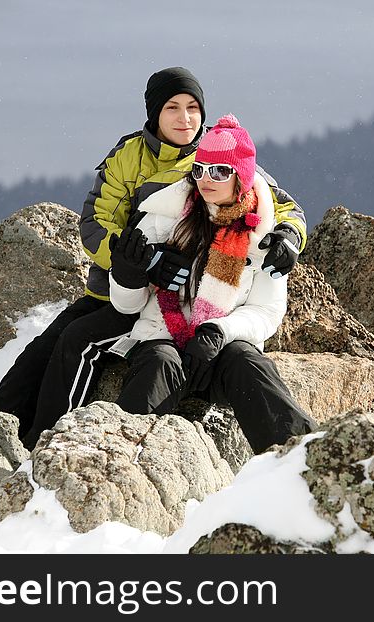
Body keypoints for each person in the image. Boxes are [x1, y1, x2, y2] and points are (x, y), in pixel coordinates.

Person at [0, 67, 308, 450]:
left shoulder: (219, 152)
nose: (184, 118)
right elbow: (95, 225)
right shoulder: (131, 157)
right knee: (47, 348)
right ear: (154, 113)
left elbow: (281, 208)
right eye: (172, 107)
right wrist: (142, 263)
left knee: (77, 342)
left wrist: (289, 237)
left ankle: (43, 442)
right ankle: (3, 435)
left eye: (193, 107)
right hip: (123, 290)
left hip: (189, 308)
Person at [109, 114, 317, 452]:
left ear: (243, 176)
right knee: (158, 362)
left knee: (249, 364)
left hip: (220, 350)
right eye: (200, 169)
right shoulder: (164, 217)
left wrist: (219, 331)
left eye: (220, 170)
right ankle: (117, 461)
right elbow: (127, 306)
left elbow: (267, 311)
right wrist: (128, 275)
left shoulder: (264, 234)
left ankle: (304, 461)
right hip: (163, 340)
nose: (206, 179)